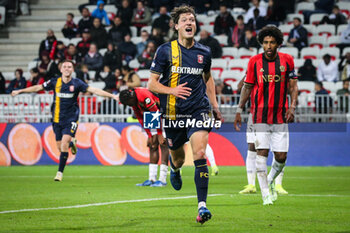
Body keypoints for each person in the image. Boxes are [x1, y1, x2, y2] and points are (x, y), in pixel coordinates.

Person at [147, 5, 222, 224]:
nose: (189, 23)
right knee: (179, 159)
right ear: (176, 25)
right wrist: (172, 90)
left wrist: (214, 106)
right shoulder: (164, 51)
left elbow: (207, 78)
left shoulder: (204, 52)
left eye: (192, 19)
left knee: (199, 153)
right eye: (185, 20)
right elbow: (151, 84)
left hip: (198, 110)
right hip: (172, 114)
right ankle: (174, 168)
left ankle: (202, 207)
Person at [11, 60, 118, 182]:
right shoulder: (55, 81)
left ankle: (59, 173)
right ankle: (72, 144)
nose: (67, 69)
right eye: (65, 67)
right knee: (60, 147)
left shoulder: (77, 83)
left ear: (72, 70)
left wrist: (113, 96)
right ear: (61, 69)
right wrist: (20, 91)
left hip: (71, 118)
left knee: (64, 143)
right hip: (57, 118)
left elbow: (94, 90)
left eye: (69, 67)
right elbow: (38, 87)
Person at [234, 26, 298, 205]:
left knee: (281, 157)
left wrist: (292, 107)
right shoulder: (254, 61)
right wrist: (239, 110)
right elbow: (247, 87)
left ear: (278, 43)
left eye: (272, 42)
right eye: (265, 43)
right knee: (261, 154)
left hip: (280, 117)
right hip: (259, 116)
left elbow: (293, 87)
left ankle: (270, 182)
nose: (268, 46)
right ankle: (265, 196)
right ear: (262, 43)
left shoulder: (288, 60)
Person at [236, 78, 288, 195]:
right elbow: (240, 88)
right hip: (255, 114)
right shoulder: (253, 70)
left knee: (278, 149)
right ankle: (251, 184)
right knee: (252, 147)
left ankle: (278, 184)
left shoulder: (276, 70)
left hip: (276, 114)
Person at [119, 88, 170, 187]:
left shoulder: (143, 95)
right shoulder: (133, 102)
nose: (129, 106)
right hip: (151, 115)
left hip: (163, 112)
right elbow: (140, 118)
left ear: (131, 98)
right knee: (152, 145)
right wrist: (149, 135)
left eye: (128, 103)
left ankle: (162, 179)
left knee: (163, 144)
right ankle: (151, 178)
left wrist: (159, 133)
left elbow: (156, 112)